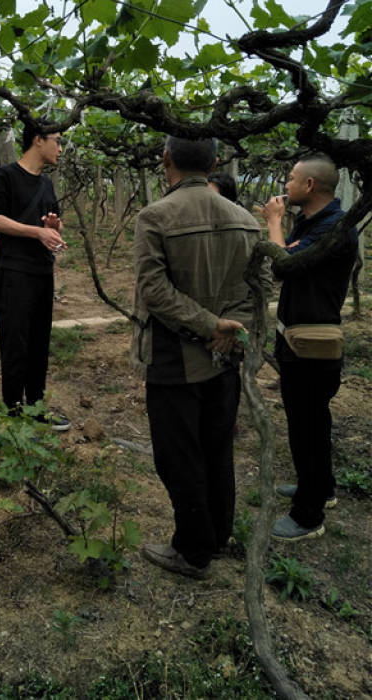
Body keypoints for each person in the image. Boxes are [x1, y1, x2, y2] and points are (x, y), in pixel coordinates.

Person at [132, 135, 269, 579]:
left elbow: (153, 292)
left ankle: (192, 551)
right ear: (213, 163)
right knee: (216, 447)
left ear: (166, 159)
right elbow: (260, 287)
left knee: (178, 455)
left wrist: (209, 325)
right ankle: (218, 533)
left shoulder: (154, 217)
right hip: (226, 358)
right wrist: (230, 328)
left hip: (174, 359)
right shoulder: (246, 219)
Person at [261, 154, 358, 542]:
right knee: (312, 421)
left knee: (307, 426)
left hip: (312, 345)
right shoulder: (317, 221)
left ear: (310, 186)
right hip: (299, 336)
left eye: (290, 179)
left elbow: (283, 265)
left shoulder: (335, 229)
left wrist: (272, 223)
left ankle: (308, 516)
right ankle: (319, 487)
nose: (285, 185)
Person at [0, 128, 70, 431]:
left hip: (41, 272)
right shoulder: (4, 176)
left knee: (38, 342)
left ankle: (35, 408)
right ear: (38, 139)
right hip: (13, 273)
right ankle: (12, 412)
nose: (61, 148)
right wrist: (36, 231)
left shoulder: (46, 184)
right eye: (57, 141)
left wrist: (53, 226)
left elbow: (54, 226)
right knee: (15, 343)